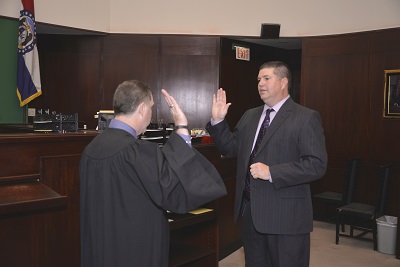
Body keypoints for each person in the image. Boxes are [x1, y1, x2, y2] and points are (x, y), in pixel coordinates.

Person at [80, 80, 227, 267]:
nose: (151, 114)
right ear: (141, 108)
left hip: (101, 245)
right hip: (134, 248)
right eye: (151, 107)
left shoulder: (91, 149)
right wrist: (181, 127)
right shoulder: (136, 151)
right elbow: (172, 189)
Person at [206, 61, 327, 267]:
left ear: (283, 82)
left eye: (266, 78)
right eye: (258, 80)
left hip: (286, 217)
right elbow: (231, 148)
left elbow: (316, 164)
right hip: (251, 215)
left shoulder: (305, 117)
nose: (260, 83)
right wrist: (218, 122)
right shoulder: (250, 116)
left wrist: (272, 172)